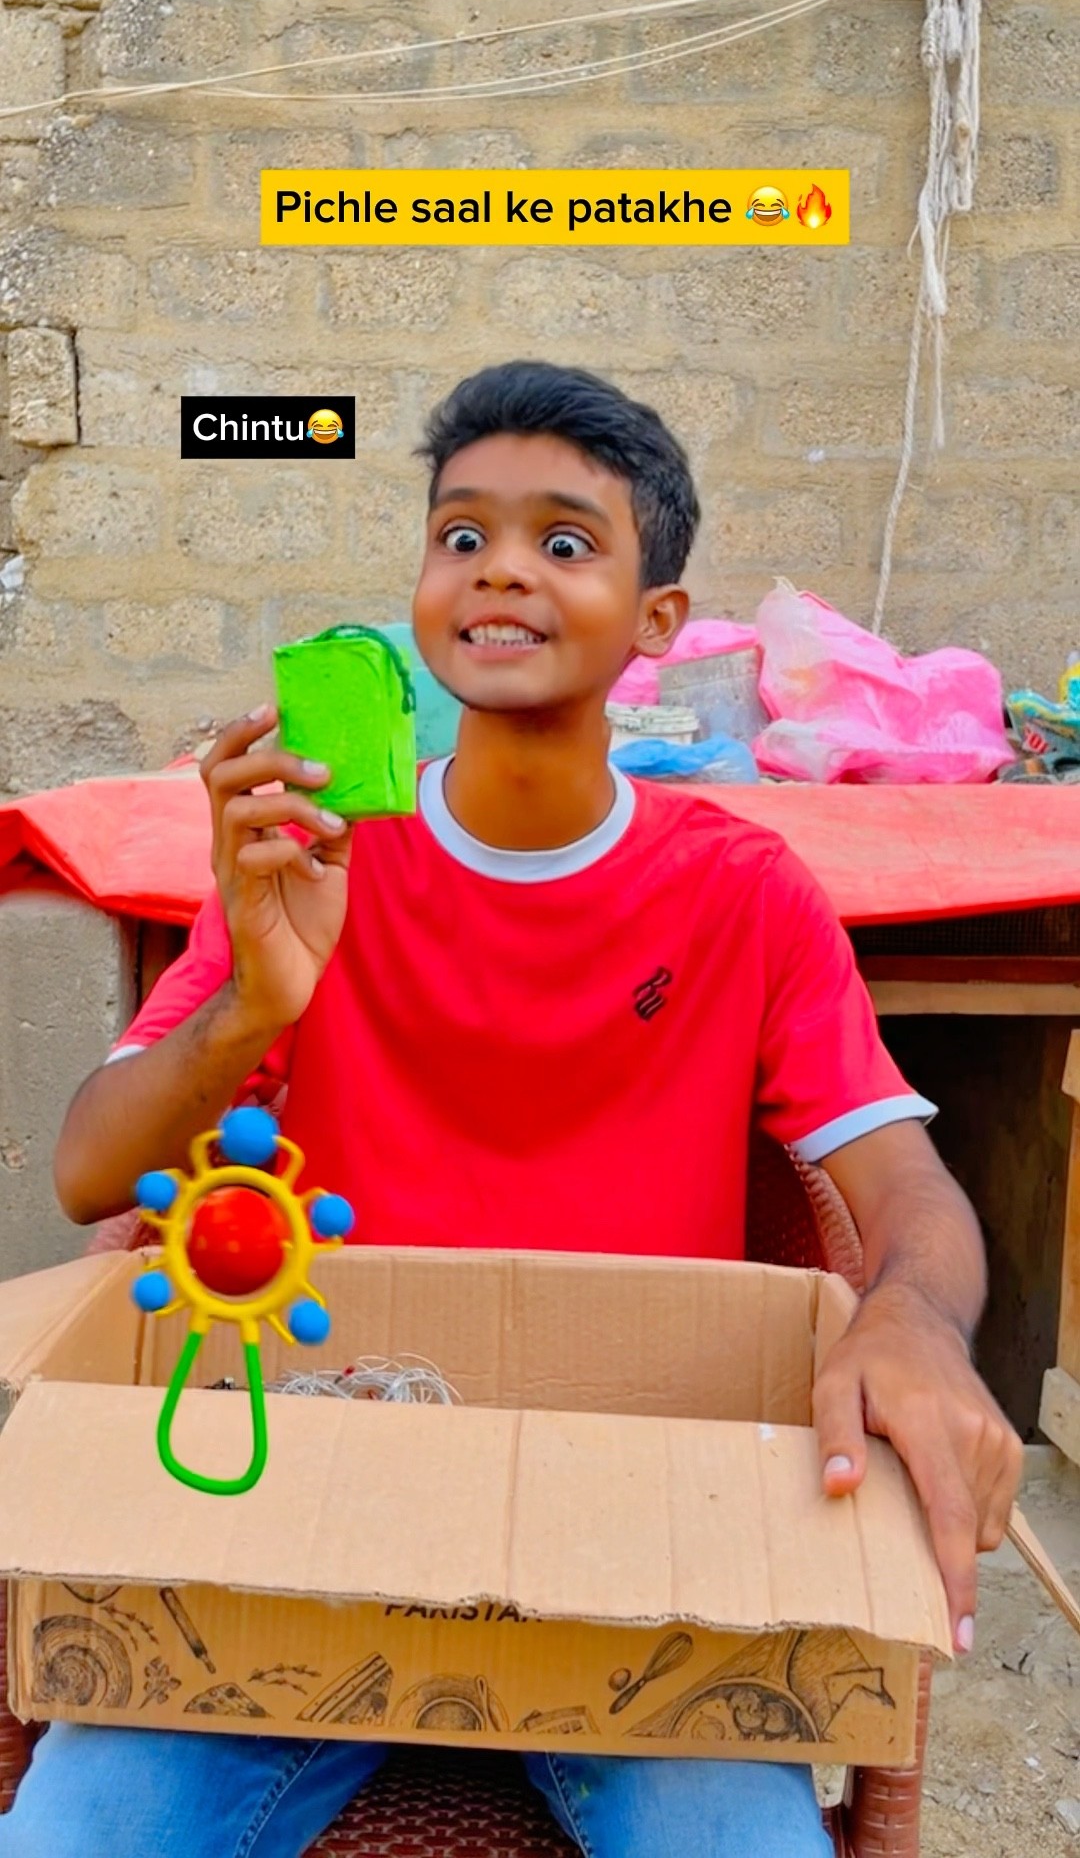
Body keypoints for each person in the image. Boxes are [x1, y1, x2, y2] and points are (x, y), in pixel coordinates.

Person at [7, 361, 1022, 1858]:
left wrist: (914, 1320)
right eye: (462, 535)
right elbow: (89, 1173)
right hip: (318, 1512)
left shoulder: (743, 896)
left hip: (639, 1552)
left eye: (564, 541)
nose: (499, 570)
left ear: (657, 622)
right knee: (78, 1831)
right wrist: (260, 1007)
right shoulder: (318, 863)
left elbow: (904, 1186)